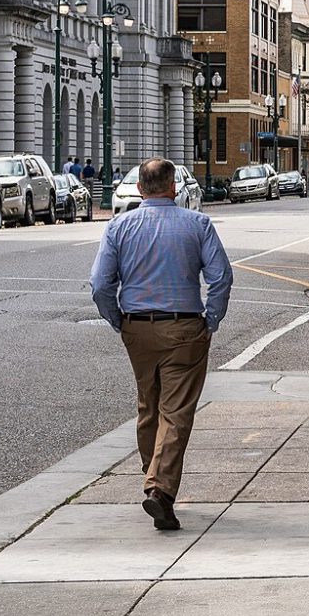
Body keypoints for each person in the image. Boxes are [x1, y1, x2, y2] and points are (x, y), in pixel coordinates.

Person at [87, 157, 233, 531]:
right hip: (185, 327)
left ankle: (153, 475)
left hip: (137, 327)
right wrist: (211, 320)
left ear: (139, 189)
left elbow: (101, 284)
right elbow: (221, 278)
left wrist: (117, 320)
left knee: (148, 406)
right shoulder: (197, 224)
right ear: (173, 188)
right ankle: (160, 489)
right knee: (176, 412)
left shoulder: (118, 226)